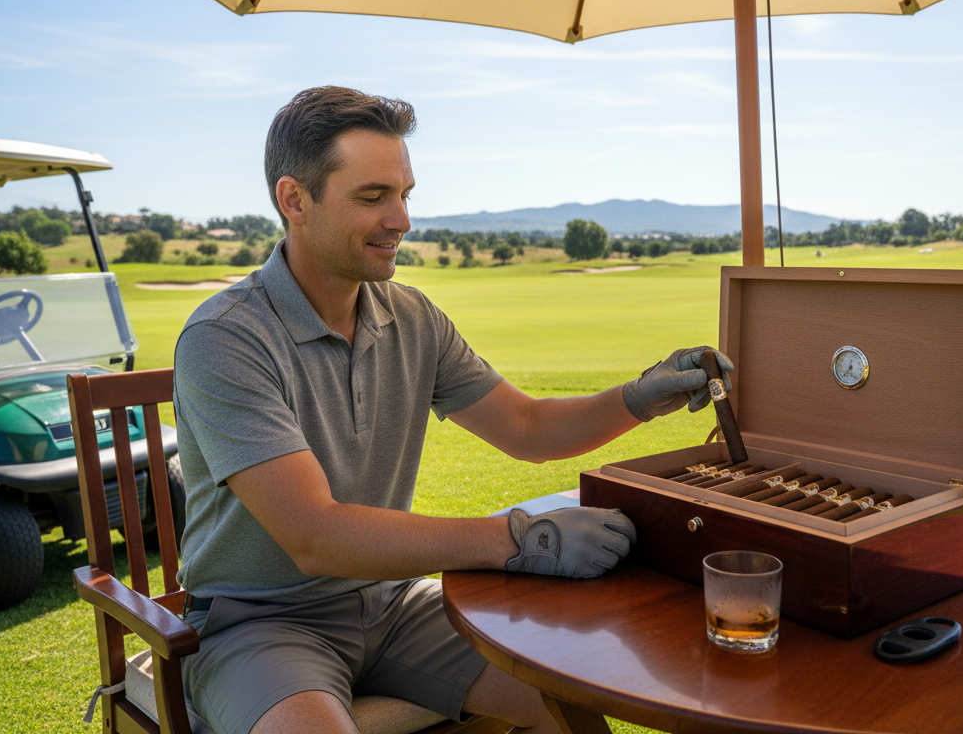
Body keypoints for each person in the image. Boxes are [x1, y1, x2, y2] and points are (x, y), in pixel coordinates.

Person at [172, 86, 734, 734]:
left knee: (569, 703)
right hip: (259, 623)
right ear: (295, 200)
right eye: (373, 197)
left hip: (391, 603)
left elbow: (527, 428)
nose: (402, 220)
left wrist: (637, 399)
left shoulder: (413, 318)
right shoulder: (225, 338)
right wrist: (522, 539)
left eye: (404, 194)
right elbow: (315, 537)